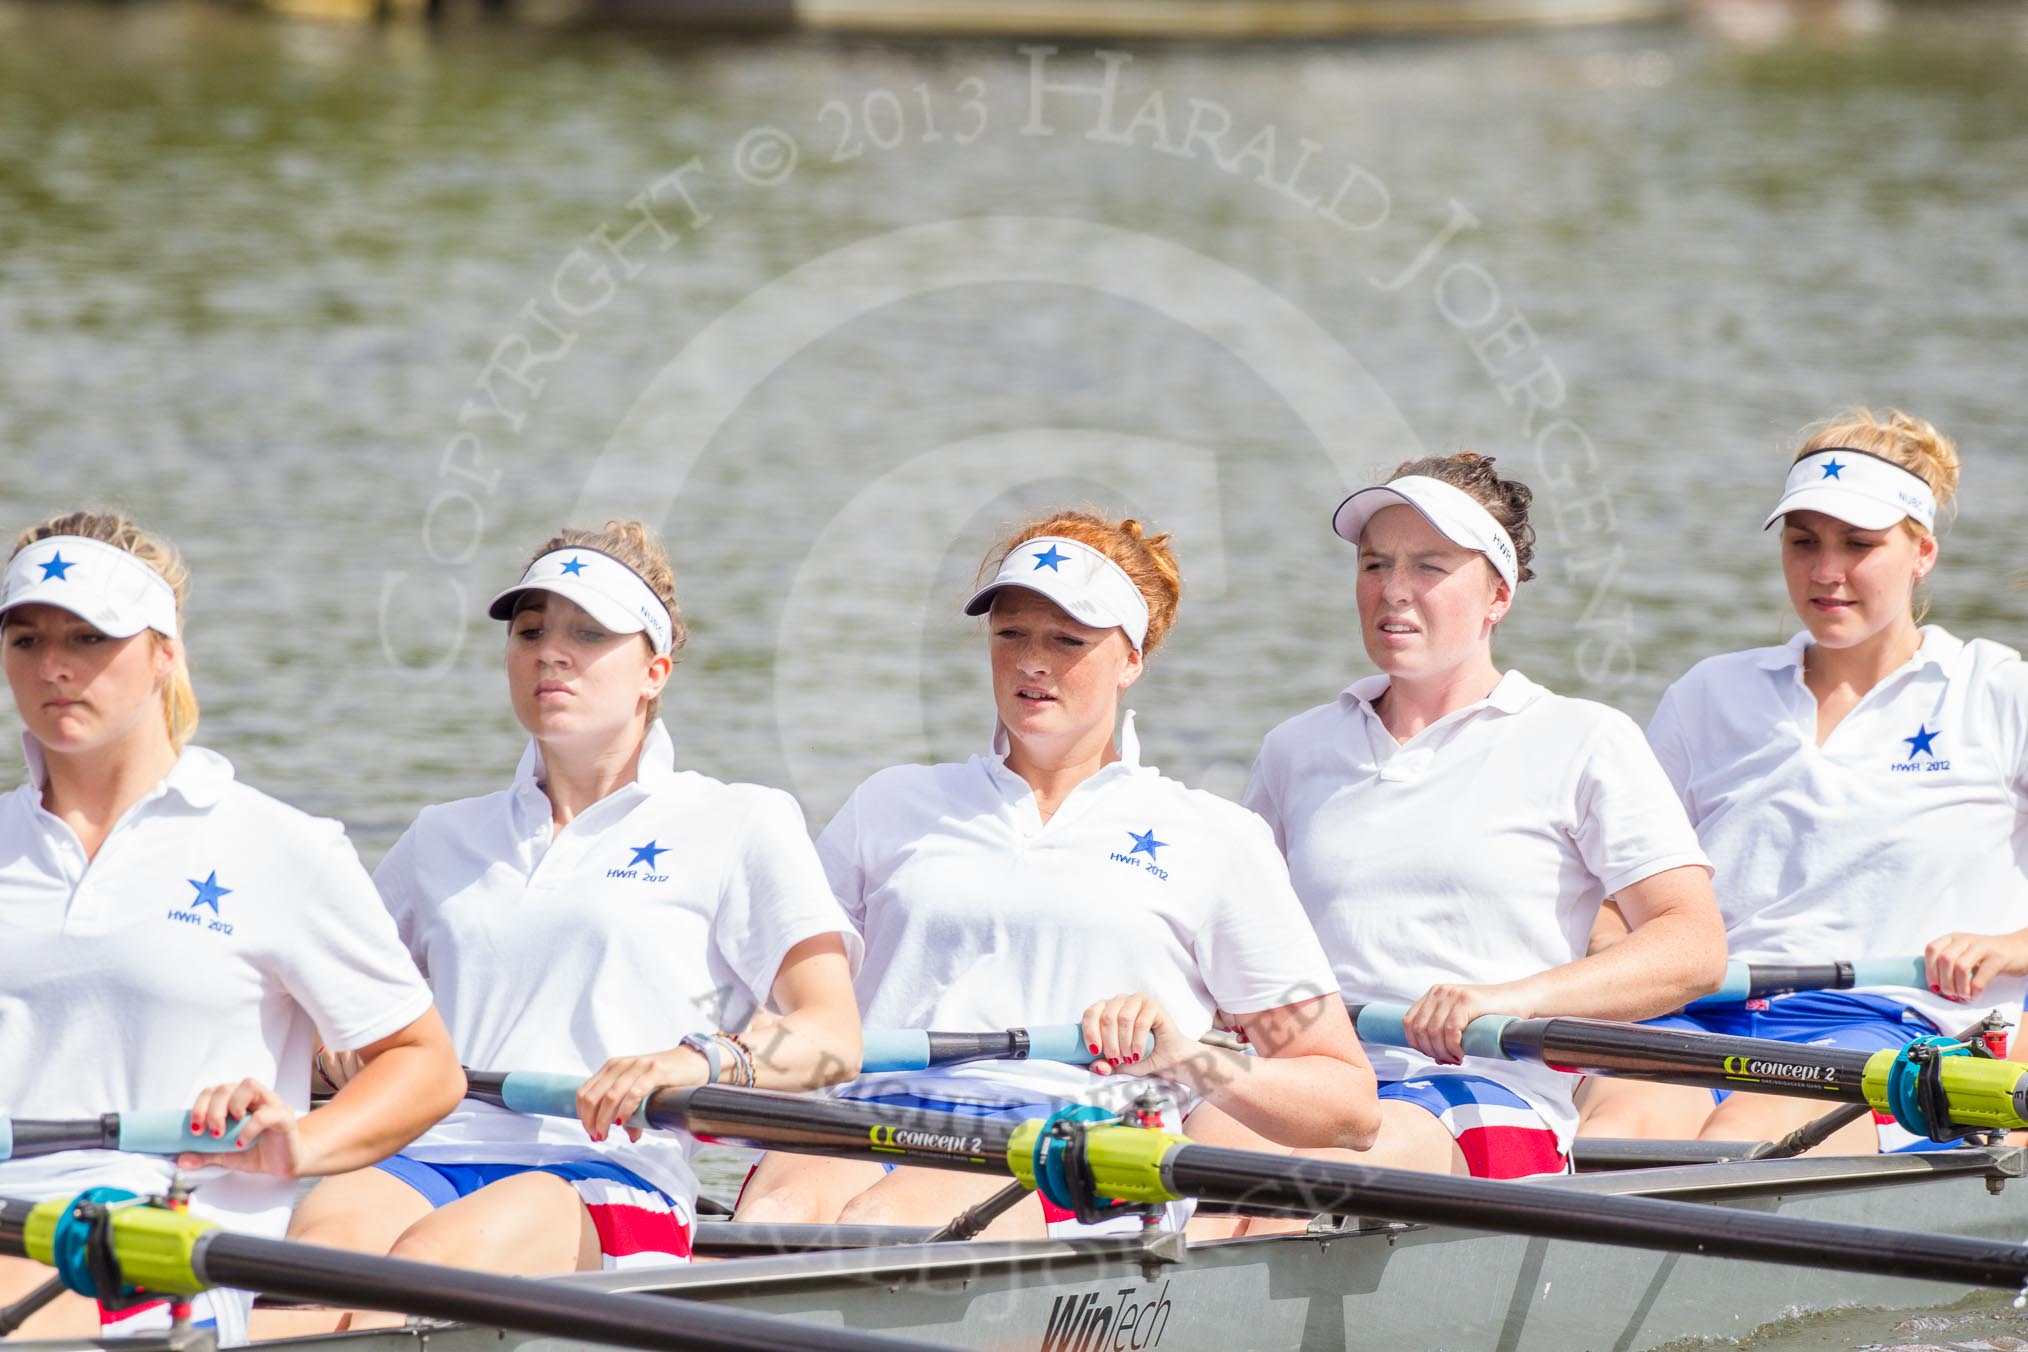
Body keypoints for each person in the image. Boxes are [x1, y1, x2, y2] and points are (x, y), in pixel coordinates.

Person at [735, 510, 1378, 1237]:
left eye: (1067, 641)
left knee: (884, 1223)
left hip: (1066, 1146)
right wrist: (740, 1049)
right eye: (1011, 634)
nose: (1032, 663)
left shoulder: (1214, 838)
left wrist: (1193, 1060)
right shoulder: (889, 803)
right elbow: (784, 1013)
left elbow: (1349, 1108)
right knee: (770, 1219)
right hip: (871, 1119)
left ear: (1131, 659)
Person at [287, 521, 861, 1287]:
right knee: (312, 1254)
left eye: (588, 633)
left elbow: (830, 1039)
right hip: (430, 1155)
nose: (550, 651)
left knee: (433, 1264)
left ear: (654, 671)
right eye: (530, 630)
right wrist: (337, 1056)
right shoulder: (441, 837)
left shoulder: (739, 821)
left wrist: (694, 1059)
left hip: (612, 1172)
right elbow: (323, 1025)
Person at [1190, 453, 1725, 1212]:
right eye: (1375, 563)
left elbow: (1694, 947)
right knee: (1189, 1162)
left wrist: (1510, 997)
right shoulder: (1296, 749)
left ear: (1497, 595)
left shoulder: (1581, 739)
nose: (1393, 589)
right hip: (1321, 1082)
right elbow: (1241, 939)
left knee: (1285, 1189)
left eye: (1430, 566)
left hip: (1489, 1087)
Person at [0, 512, 460, 1344]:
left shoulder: (280, 849)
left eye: (89, 638)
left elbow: (425, 1067)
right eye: (25, 640)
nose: (54, 667)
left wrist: (303, 1143)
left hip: (166, 1240)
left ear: (163, 654)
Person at [1578, 409, 2028, 1151]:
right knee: (1615, 1136)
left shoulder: (1996, 693)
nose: (1826, 572)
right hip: (1698, 1010)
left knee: (1738, 1142)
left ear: (1923, 553)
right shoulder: (1710, 694)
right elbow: (1614, 903)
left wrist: (2009, 949)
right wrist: (1610, 951)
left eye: (1859, 545)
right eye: (1803, 543)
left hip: (1893, 1024)